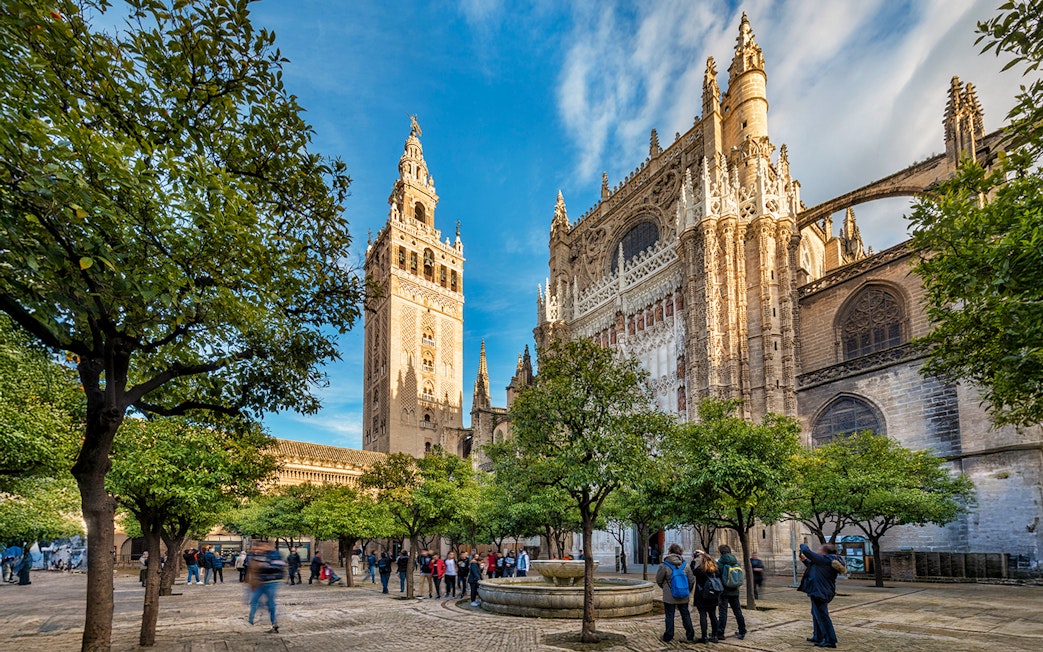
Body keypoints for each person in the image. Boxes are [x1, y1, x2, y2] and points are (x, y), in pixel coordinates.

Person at [798, 542, 845, 649]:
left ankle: (830, 640)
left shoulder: (826, 559)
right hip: (818, 590)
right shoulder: (824, 561)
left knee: (822, 616)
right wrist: (804, 560)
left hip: (821, 591)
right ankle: (818, 636)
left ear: (824, 552)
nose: (818, 551)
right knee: (816, 613)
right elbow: (812, 565)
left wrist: (802, 544)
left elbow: (806, 551)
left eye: (819, 550)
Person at [655, 543, 696, 643]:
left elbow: (659, 580)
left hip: (669, 596)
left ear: (669, 552)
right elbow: (691, 580)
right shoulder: (685, 565)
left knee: (669, 615)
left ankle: (668, 636)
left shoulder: (664, 565)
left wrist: (666, 588)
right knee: (685, 614)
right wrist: (686, 590)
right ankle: (690, 634)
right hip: (684, 595)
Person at [247, 541, 286, 634]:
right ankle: (251, 619)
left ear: (267, 546)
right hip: (261, 582)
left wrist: (264, 566)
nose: (260, 549)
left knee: (270, 603)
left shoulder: (276, 554)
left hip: (271, 582)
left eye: (261, 547)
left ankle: (274, 623)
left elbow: (278, 566)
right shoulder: (262, 555)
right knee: (254, 600)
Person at [715, 545, 746, 640]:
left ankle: (720, 633)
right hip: (735, 591)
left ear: (721, 552)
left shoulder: (720, 563)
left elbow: (717, 574)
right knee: (737, 611)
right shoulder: (736, 562)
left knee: (723, 612)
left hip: (724, 592)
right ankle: (742, 631)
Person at [691, 550, 721, 643]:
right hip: (713, 595)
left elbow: (692, 570)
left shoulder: (699, 570)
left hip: (702, 596)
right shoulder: (715, 569)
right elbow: (712, 560)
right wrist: (704, 553)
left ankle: (704, 637)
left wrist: (693, 559)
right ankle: (715, 636)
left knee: (703, 616)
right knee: (713, 615)